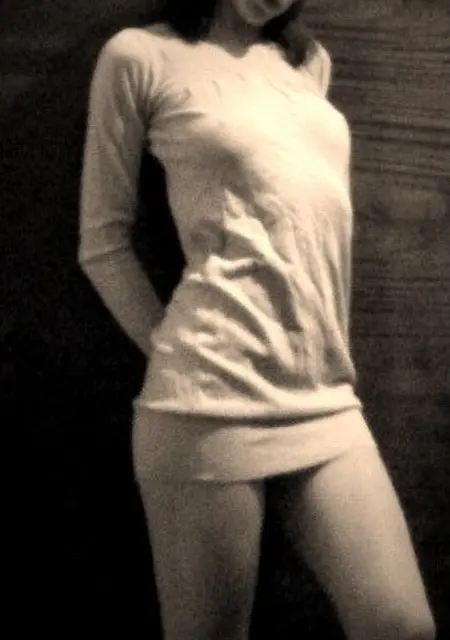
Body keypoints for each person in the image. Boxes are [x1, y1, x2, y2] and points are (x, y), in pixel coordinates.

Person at [79, 1, 436, 639]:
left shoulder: (308, 64)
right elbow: (101, 244)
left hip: (325, 399)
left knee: (402, 626)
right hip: (205, 404)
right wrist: (177, 351)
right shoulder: (139, 56)